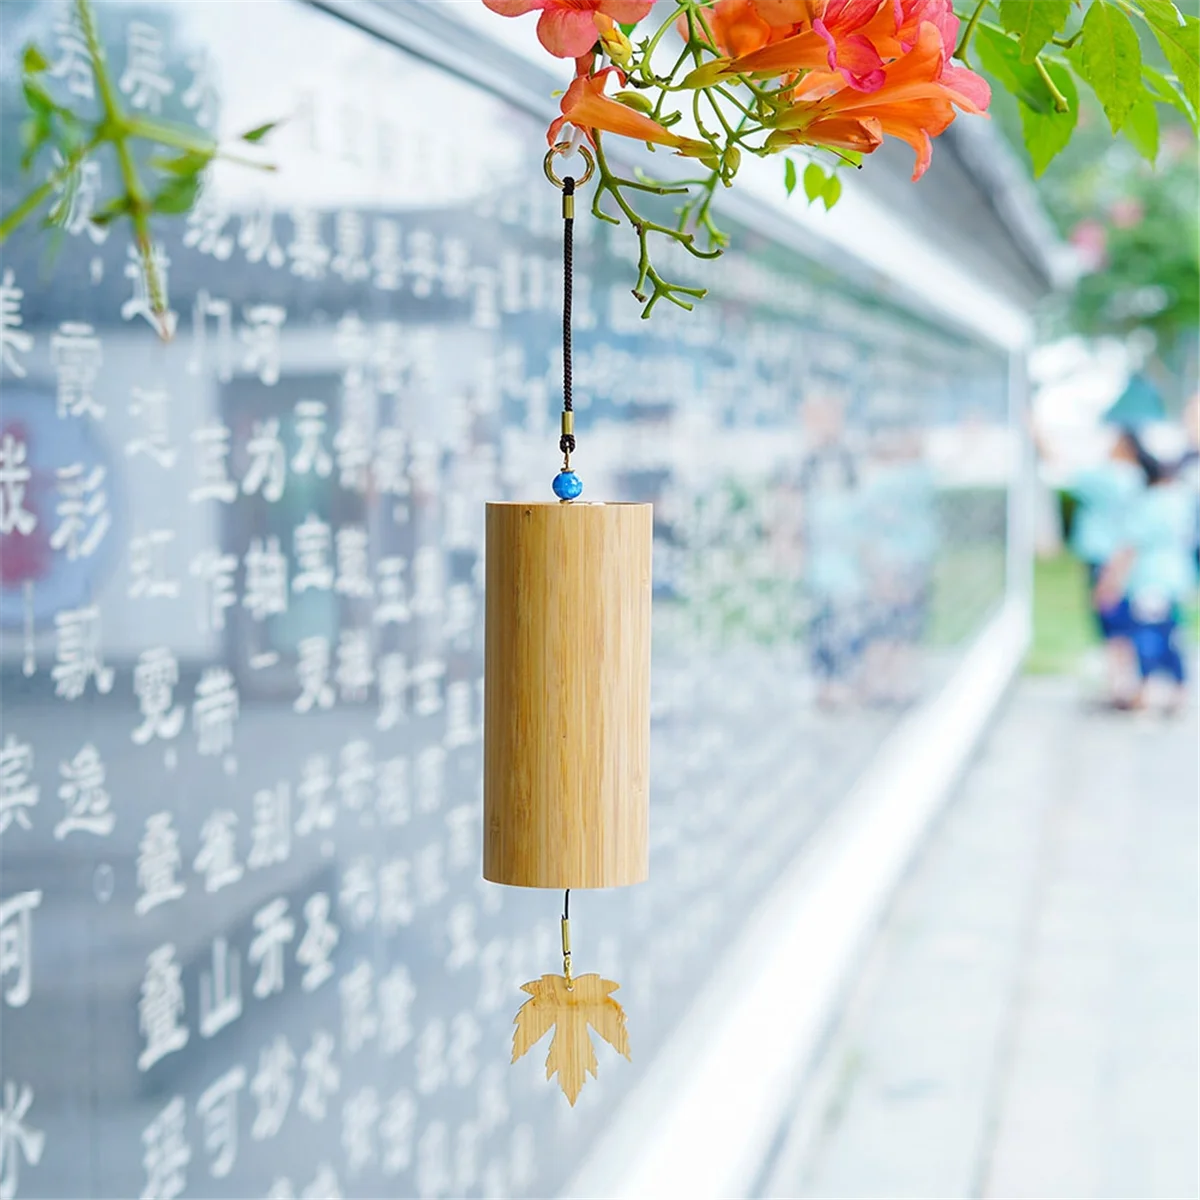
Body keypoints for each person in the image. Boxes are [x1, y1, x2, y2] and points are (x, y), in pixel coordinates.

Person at [1095, 443, 1197, 714]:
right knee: (1170, 634)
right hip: (1175, 578)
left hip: (1150, 581)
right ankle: (1177, 691)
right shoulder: (1181, 499)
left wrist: (1109, 582)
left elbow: (1129, 547)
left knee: (1148, 637)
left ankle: (1147, 691)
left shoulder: (1149, 504)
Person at [1063, 427, 1145, 704]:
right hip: (1124, 560)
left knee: (1112, 628)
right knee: (1122, 626)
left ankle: (1120, 689)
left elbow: (1062, 465)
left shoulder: (1109, 477)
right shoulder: (1136, 478)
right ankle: (1124, 687)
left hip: (1107, 562)